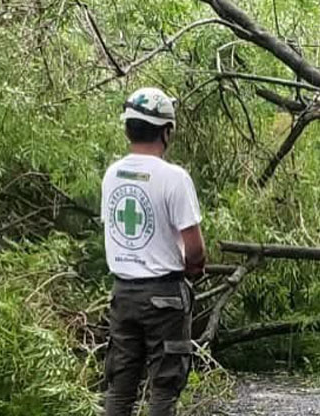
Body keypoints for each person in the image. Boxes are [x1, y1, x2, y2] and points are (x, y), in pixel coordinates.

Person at [101, 87, 206, 416]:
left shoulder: (112, 174)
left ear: (127, 127)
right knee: (163, 387)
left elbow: (115, 227)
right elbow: (195, 249)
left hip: (123, 295)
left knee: (120, 387)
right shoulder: (174, 179)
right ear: (167, 130)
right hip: (164, 296)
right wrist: (193, 270)